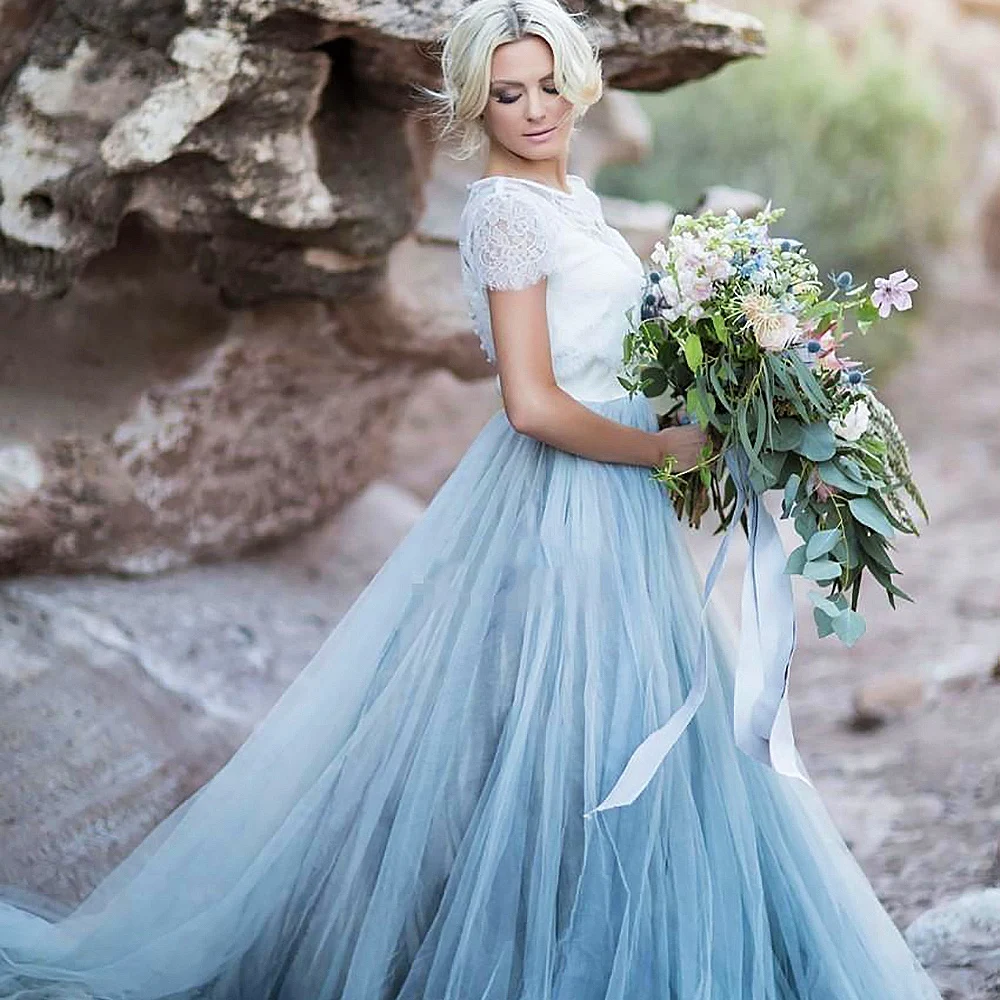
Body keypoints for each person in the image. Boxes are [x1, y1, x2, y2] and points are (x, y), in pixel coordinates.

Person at [0, 0, 944, 997]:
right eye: (506, 94)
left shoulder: (576, 202)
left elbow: (616, 353)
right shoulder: (503, 214)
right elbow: (533, 402)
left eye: (547, 84)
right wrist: (663, 444)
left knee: (659, 717)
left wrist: (740, 390)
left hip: (621, 491)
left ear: (578, 81)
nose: (534, 109)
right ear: (474, 106)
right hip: (569, 497)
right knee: (590, 732)